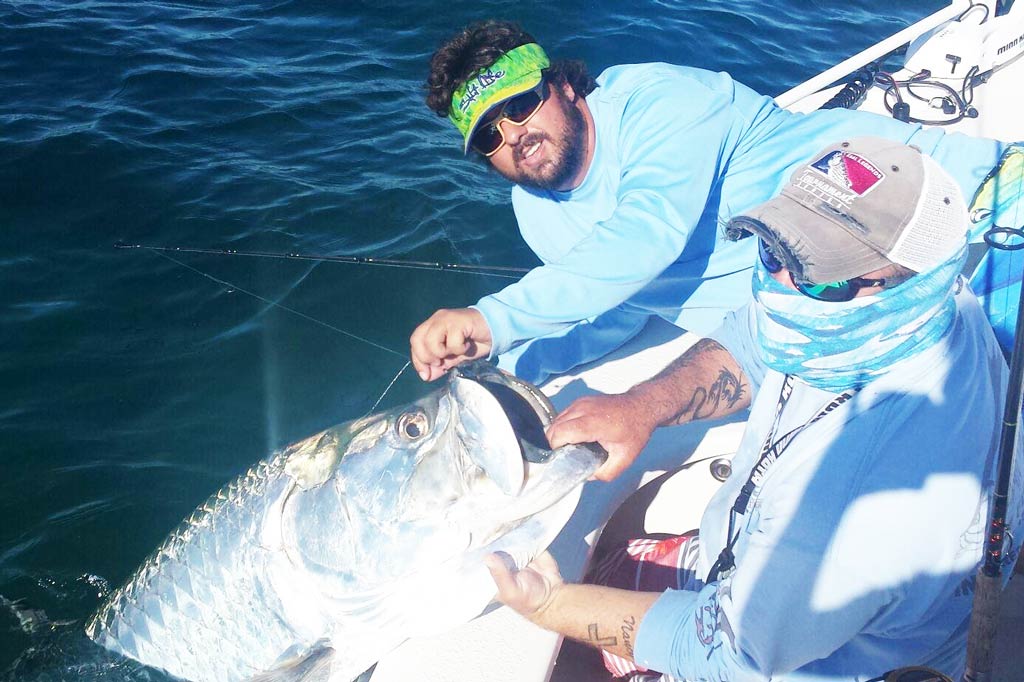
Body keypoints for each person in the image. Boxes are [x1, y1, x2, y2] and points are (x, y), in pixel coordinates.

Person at [485, 138, 1024, 681]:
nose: (780, 288)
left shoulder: (856, 504)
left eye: (825, 277)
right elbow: (754, 337)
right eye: (775, 251)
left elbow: (726, 656)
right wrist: (642, 406)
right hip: (749, 568)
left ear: (910, 285)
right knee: (610, 565)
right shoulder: (915, 310)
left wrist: (548, 603)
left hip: (791, 655)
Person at [409, 20, 1010, 386]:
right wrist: (515, 368)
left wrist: (495, 319)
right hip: (837, 320)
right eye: (489, 134)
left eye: (520, 105)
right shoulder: (534, 211)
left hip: (977, 209)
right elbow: (623, 301)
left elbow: (646, 235)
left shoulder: (664, 100)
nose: (513, 135)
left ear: (563, 86)